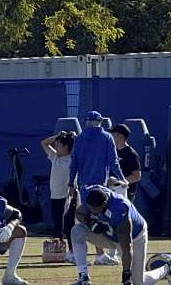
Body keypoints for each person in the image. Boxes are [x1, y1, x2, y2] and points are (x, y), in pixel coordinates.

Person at [71, 185, 171, 285]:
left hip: (135, 238)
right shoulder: (92, 195)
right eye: (91, 208)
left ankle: (167, 268)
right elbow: (79, 213)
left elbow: (126, 247)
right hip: (109, 235)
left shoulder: (120, 209)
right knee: (77, 231)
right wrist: (90, 223)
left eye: (95, 208)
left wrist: (126, 275)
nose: (93, 211)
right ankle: (83, 277)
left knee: (138, 281)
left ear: (104, 204)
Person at [70, 111, 126, 267]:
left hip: (83, 185)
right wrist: (122, 178)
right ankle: (101, 254)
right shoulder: (107, 137)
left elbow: (73, 163)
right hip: (101, 187)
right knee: (102, 217)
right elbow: (114, 161)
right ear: (100, 122)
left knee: (86, 218)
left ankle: (95, 254)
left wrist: (70, 183)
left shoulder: (80, 138)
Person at [41, 131, 77, 264]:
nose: (56, 147)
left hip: (67, 195)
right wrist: (58, 137)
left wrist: (70, 137)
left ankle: (73, 252)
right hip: (55, 196)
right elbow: (44, 143)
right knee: (57, 225)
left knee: (69, 224)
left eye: (60, 145)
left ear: (67, 147)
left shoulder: (73, 158)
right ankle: (58, 252)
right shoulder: (55, 157)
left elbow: (78, 144)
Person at [110, 125, 141, 204]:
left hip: (125, 192)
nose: (111, 137)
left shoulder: (131, 154)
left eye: (113, 134)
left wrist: (117, 183)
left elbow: (137, 176)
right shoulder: (113, 151)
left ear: (120, 136)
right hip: (112, 190)